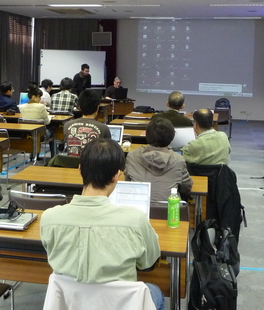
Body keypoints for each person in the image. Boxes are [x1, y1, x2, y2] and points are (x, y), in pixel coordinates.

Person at [40, 138, 164, 309]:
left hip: (73, 303)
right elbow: (148, 262)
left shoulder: (49, 218)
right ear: (116, 175)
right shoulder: (135, 219)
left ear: (80, 170)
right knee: (155, 292)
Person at [125, 117, 193, 202]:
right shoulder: (178, 159)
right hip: (169, 208)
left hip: (138, 207)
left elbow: (127, 182)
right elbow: (186, 187)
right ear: (172, 137)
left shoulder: (132, 155)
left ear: (147, 135)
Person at [63, 90, 111, 156]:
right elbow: (108, 152)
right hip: (93, 162)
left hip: (71, 162)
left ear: (80, 107)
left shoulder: (67, 125)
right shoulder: (104, 128)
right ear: (97, 108)